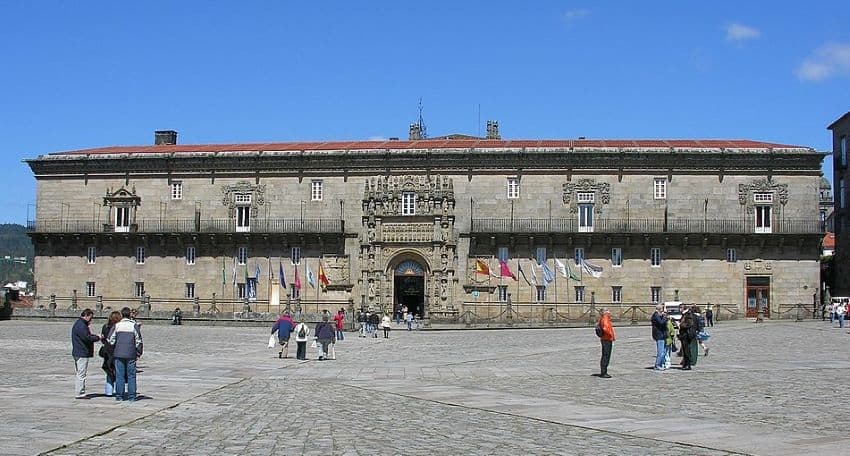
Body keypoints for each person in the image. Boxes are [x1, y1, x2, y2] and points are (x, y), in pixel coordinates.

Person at [107, 307, 143, 401]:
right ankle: (132, 396)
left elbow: (110, 340)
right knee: (131, 376)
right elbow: (138, 341)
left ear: (122, 315)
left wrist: (114, 348)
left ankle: (119, 396)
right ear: (129, 315)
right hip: (131, 354)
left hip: (118, 354)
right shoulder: (134, 326)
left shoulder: (117, 326)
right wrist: (138, 352)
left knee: (119, 375)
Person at [71, 308, 102, 399]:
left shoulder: (80, 324)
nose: (91, 320)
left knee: (80, 373)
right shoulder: (81, 325)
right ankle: (80, 393)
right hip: (81, 352)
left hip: (79, 351)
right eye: (90, 318)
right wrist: (98, 337)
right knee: (81, 373)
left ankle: (80, 391)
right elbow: (87, 337)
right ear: (86, 315)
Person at [99, 311, 122, 397]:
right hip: (116, 351)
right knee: (118, 371)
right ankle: (118, 390)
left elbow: (103, 339)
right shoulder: (119, 327)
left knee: (109, 371)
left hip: (107, 351)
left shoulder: (105, 326)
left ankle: (109, 391)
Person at [597, 308, 615, 378]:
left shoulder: (604, 318)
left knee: (605, 355)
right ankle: (604, 372)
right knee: (606, 356)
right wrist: (611, 335)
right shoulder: (605, 318)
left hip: (604, 338)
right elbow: (606, 328)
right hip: (607, 339)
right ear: (605, 312)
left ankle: (603, 371)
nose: (609, 312)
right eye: (608, 311)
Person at [650, 304, 668, 371]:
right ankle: (657, 365)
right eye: (662, 309)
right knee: (660, 352)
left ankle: (660, 364)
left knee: (663, 351)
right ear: (660, 309)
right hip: (659, 335)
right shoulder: (656, 315)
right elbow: (661, 323)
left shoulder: (658, 315)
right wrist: (665, 317)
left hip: (662, 335)